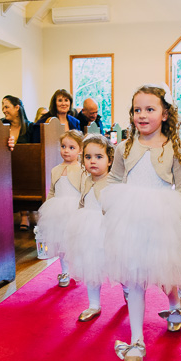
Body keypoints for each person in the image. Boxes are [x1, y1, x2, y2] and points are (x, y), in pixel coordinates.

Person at [102, 85, 181, 361]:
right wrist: (109, 209)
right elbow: (115, 180)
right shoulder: (124, 146)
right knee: (134, 278)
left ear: (165, 114)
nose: (142, 115)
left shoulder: (174, 149)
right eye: (137, 110)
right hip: (130, 219)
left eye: (150, 109)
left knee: (165, 275)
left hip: (161, 218)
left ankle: (174, 307)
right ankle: (137, 340)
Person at [65, 134, 114, 322]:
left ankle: (128, 291)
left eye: (99, 157)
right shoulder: (86, 180)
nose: (93, 161)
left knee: (118, 264)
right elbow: (83, 201)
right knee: (91, 264)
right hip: (88, 230)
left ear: (110, 160)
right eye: (88, 157)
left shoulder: (112, 181)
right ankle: (94, 304)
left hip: (107, 229)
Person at [36, 130, 85, 287]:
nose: (66, 150)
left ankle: (77, 269)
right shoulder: (55, 169)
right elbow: (52, 191)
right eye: (63, 146)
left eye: (71, 147)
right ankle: (65, 271)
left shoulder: (82, 169)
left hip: (75, 210)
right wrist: (46, 212)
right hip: (57, 211)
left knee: (75, 243)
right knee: (61, 244)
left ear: (80, 149)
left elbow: (84, 191)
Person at [2, 94, 34, 230]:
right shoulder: (1, 125)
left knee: (25, 173)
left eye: (6, 106)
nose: (3, 110)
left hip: (24, 167)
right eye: (2, 107)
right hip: (5, 166)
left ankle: (25, 216)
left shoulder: (30, 127)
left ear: (17, 108)